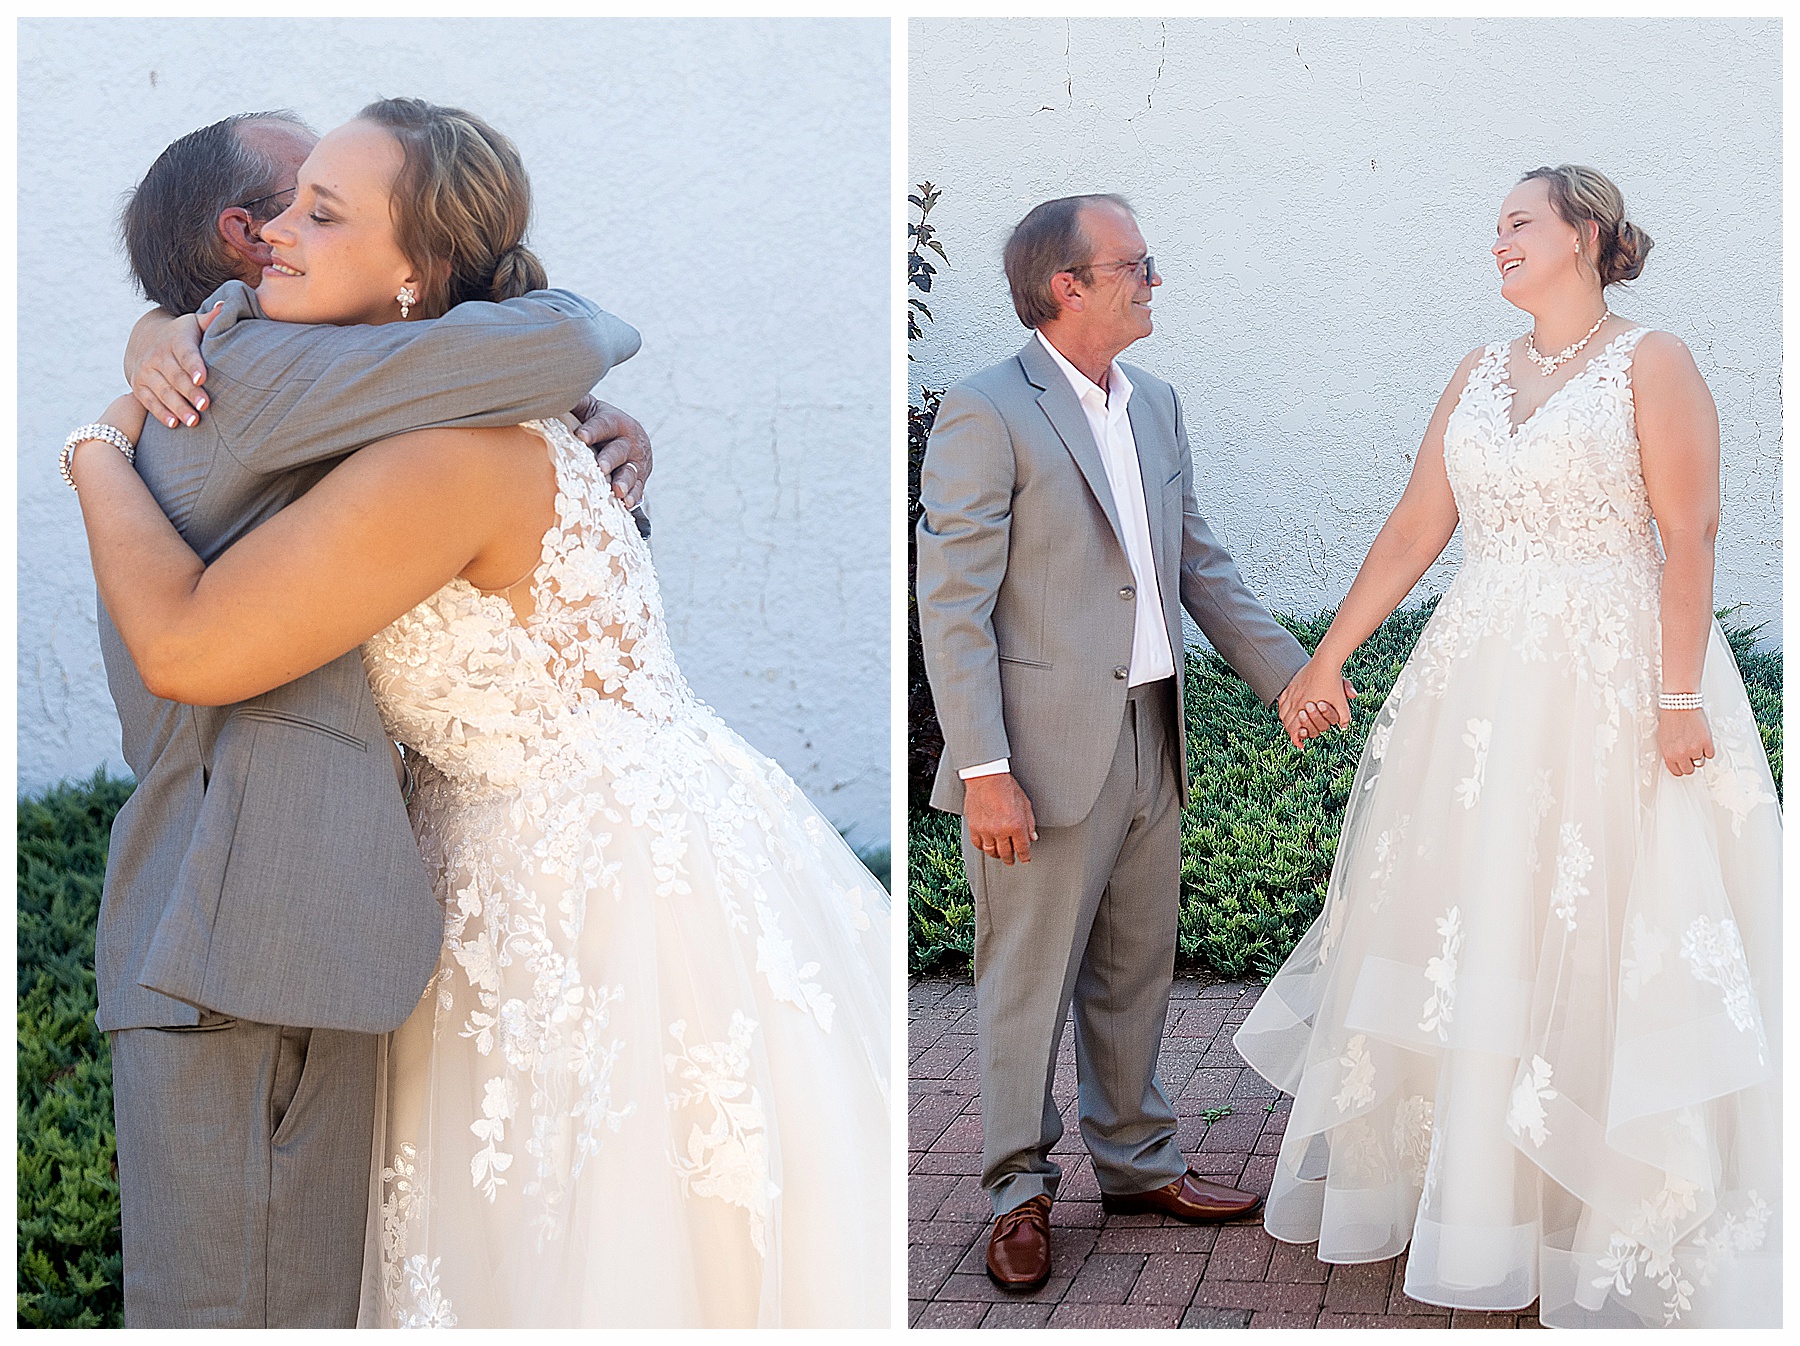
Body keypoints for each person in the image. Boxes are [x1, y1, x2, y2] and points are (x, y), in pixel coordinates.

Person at [68, 97, 890, 1328]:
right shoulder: (425, 417)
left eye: (322, 212)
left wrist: (90, 446)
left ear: (414, 274)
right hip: (567, 854)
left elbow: (189, 639)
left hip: (580, 892)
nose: (277, 238)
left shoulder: (440, 453)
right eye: (286, 206)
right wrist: (145, 341)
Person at [92, 106, 646, 1328]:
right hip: (246, 947)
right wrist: (88, 446)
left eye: (329, 208)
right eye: (300, 202)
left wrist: (593, 453)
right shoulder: (250, 372)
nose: (301, 225)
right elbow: (560, 343)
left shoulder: (284, 387)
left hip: (281, 928)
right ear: (243, 238)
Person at [1236, 165, 1781, 1328]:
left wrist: (1678, 693)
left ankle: (1610, 1198)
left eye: (1518, 223)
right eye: (1492, 228)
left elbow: (1691, 534)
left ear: (1584, 233)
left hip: (1615, 675)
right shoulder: (1476, 374)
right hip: (1480, 682)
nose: (1498, 242)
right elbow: (1415, 523)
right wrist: (1325, 657)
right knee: (1477, 915)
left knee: (1602, 917)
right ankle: (1485, 1199)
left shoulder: (1654, 360)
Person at [914, 194, 1344, 1292]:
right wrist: (984, 768)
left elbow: (1200, 564)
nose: (1154, 278)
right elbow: (951, 607)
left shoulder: (1155, 404)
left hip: (1153, 727)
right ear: (1069, 284)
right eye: (1136, 263)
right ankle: (1017, 1189)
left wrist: (1291, 674)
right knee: (1026, 980)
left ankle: (1138, 1160)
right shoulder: (985, 411)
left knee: (1134, 966)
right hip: (1040, 756)